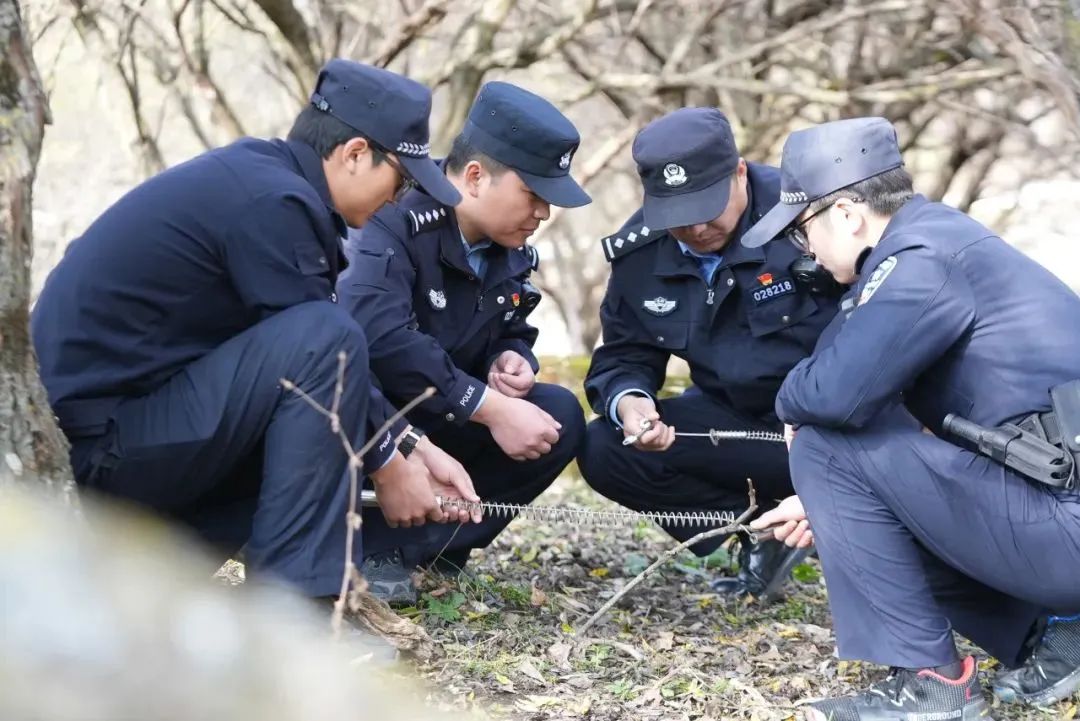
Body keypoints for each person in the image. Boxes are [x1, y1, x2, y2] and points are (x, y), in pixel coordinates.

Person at [30, 59, 474, 601]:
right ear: (356, 154)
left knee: (322, 361)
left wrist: (412, 444)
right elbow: (322, 351)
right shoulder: (274, 201)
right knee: (327, 339)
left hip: (126, 434)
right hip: (99, 454)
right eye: (400, 181)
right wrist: (387, 463)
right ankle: (297, 608)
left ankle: (157, 579)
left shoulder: (261, 180)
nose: (399, 198)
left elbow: (312, 363)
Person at [744, 116, 1080, 719]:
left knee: (825, 441)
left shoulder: (920, 261)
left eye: (802, 231)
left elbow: (836, 394)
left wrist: (791, 407)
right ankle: (1062, 633)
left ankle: (933, 686)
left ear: (846, 213)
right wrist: (828, 505)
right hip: (1062, 510)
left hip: (1068, 527)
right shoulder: (945, 242)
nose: (807, 251)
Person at [337, 81, 589, 603]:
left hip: (449, 415)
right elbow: (382, 338)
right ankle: (370, 549)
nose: (542, 214)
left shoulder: (510, 251)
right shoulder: (395, 219)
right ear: (475, 177)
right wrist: (487, 406)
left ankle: (435, 548)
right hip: (375, 416)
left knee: (557, 414)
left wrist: (512, 358)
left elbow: (514, 325)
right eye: (534, 196)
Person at [577, 107, 842, 599]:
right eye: (678, 217)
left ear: (739, 172)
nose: (697, 230)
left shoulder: (811, 216)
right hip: (736, 422)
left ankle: (853, 530)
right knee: (605, 448)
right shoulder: (641, 253)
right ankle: (764, 533)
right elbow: (623, 354)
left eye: (707, 208)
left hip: (832, 425)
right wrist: (632, 403)